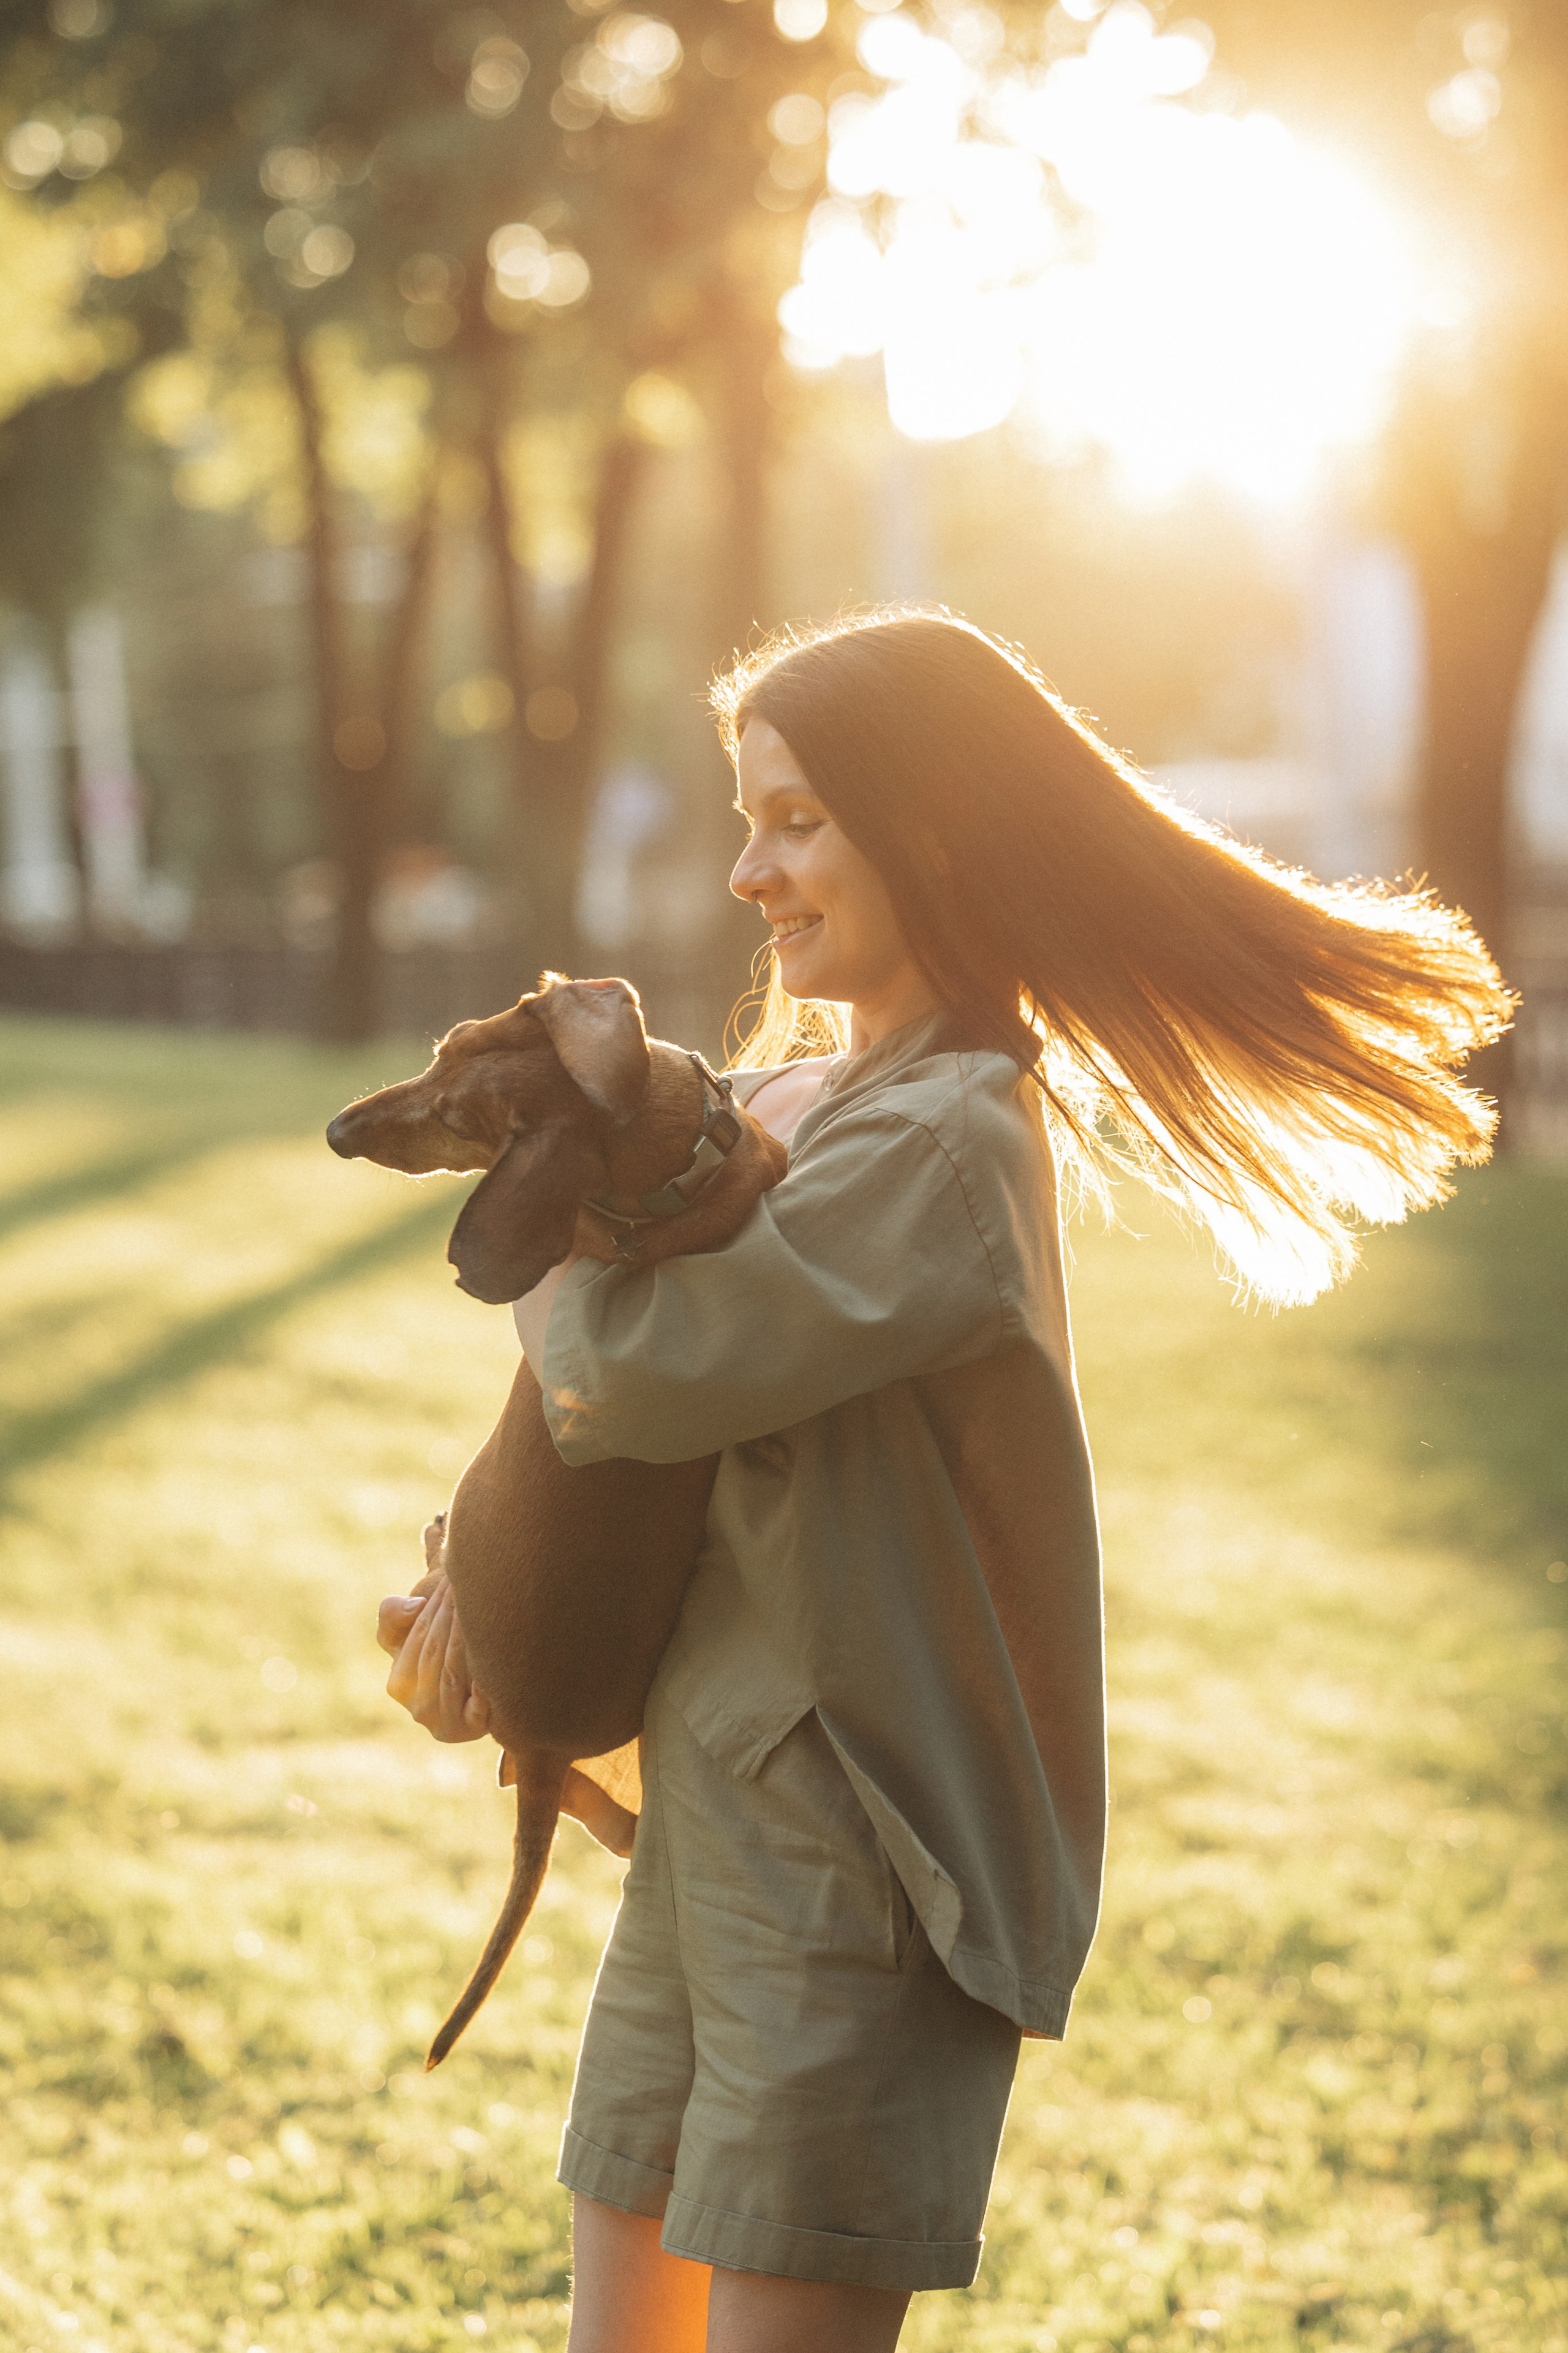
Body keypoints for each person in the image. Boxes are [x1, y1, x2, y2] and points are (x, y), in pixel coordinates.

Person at [380, 610, 1509, 2353]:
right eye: (747, 820)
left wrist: (543, 1229)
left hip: (859, 1870)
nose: (750, 871)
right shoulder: (801, 1099)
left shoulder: (948, 1138)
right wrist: (487, 1614)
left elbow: (632, 1375)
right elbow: (651, 1473)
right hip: (716, 1828)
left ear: (938, 830)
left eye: (800, 820)